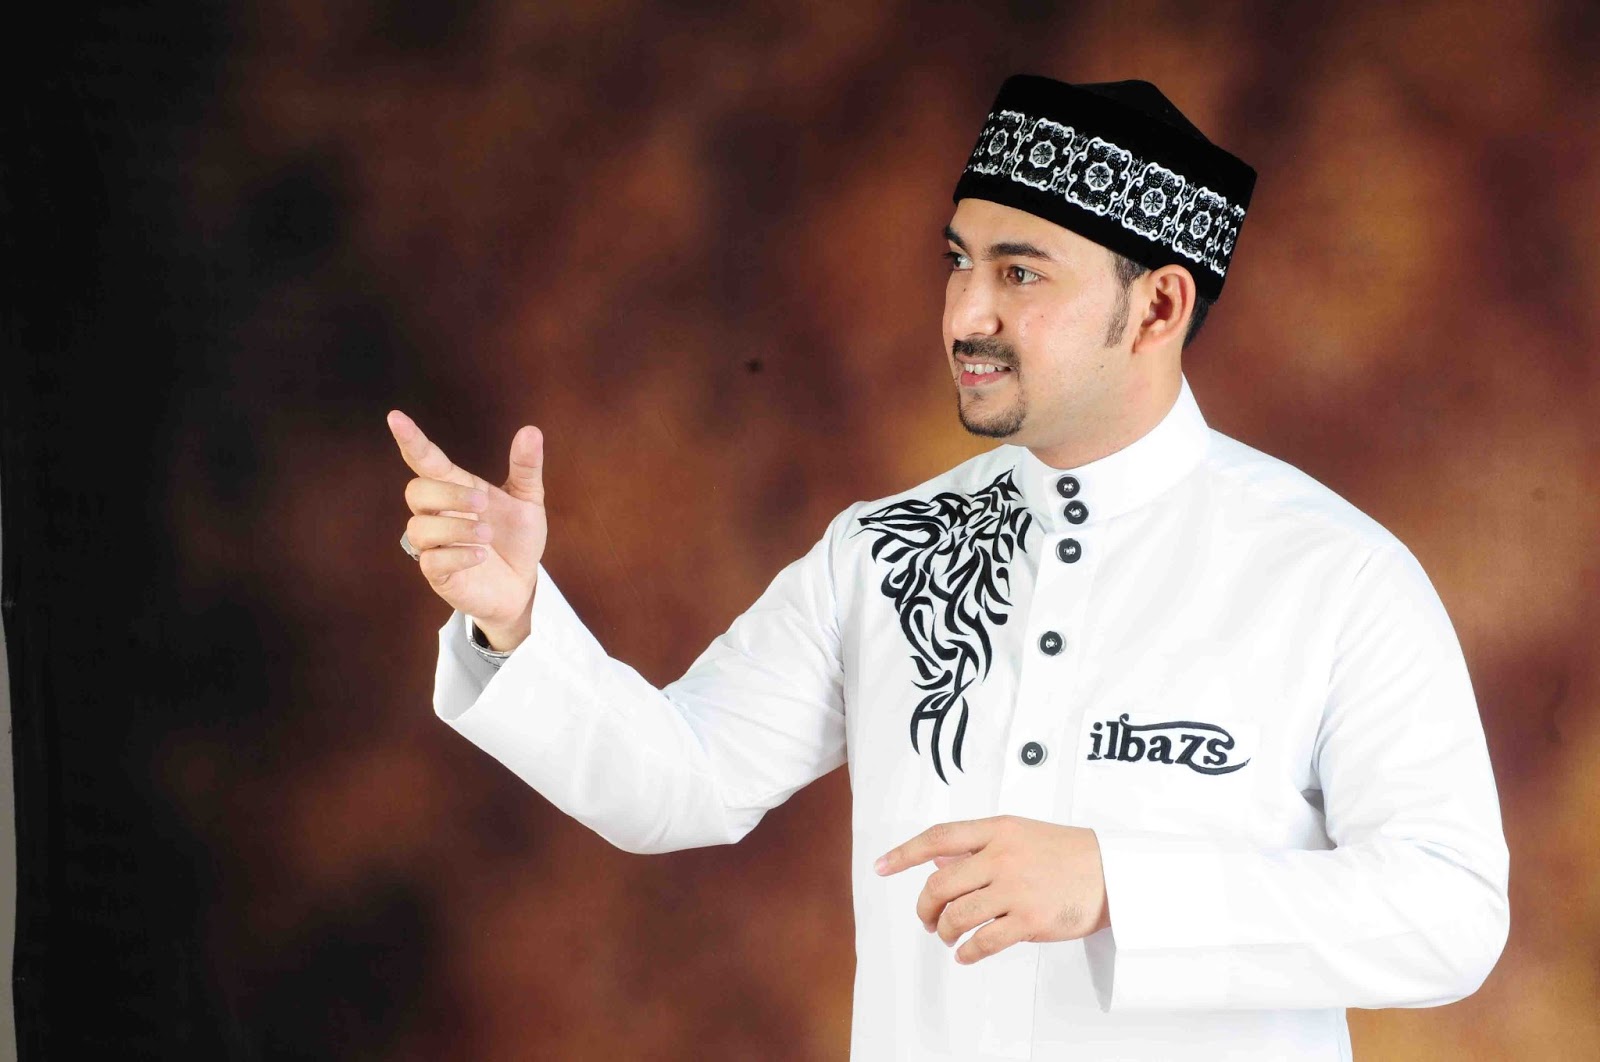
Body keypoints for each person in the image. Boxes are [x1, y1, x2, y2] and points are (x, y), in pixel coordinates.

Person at [387, 75, 1509, 1060]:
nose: (967, 313)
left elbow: (1451, 914)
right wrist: (516, 618)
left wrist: (1116, 886)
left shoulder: (1332, 575)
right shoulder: (884, 552)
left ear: (1158, 305)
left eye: (1021, 273)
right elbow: (678, 783)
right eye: (959, 261)